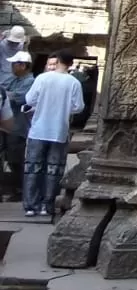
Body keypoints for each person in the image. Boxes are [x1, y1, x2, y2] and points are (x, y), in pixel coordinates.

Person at [22, 49, 84, 218]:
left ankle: (30, 205)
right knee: (53, 170)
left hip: (38, 130)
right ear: (71, 64)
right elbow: (78, 107)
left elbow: (29, 100)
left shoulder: (42, 78)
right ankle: (46, 205)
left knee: (33, 168)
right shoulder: (73, 83)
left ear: (56, 62)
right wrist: (64, 109)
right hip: (59, 131)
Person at [1, 51, 34, 201]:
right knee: (6, 157)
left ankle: (21, 189)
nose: (12, 67)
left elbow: (18, 98)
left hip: (18, 126)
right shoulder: (14, 80)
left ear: (22, 65)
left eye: (14, 64)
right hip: (6, 125)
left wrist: (6, 94)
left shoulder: (29, 82)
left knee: (16, 159)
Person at [0, 25, 29, 89]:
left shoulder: (2, 44)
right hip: (15, 72)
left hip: (4, 73)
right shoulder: (21, 46)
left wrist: (3, 36)